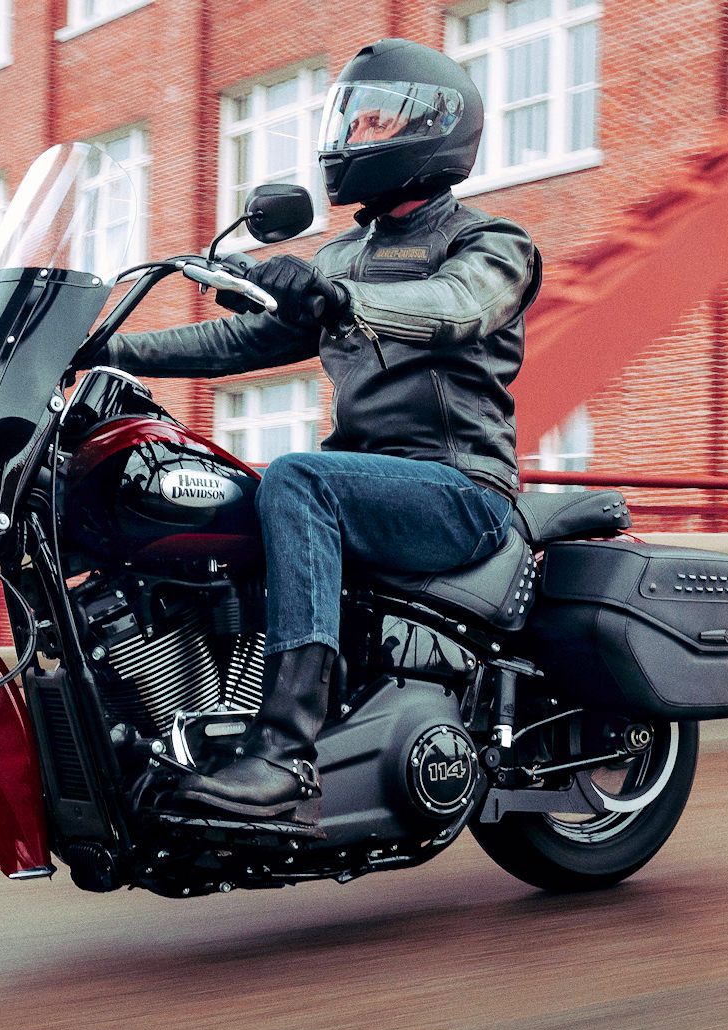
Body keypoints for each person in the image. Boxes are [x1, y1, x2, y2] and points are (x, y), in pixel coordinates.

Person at [106, 38, 542, 827]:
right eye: (351, 116)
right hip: (368, 483)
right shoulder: (347, 250)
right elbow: (243, 343)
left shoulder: (491, 244)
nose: (352, 133)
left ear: (433, 129)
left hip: (461, 489)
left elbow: (455, 307)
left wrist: (336, 299)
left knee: (296, 476)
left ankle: (284, 751)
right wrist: (102, 347)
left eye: (374, 119)